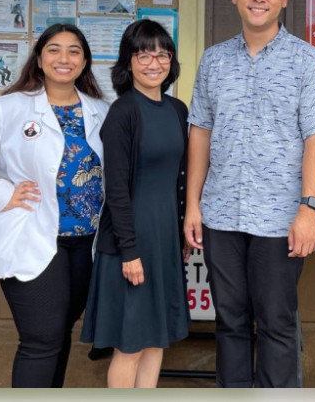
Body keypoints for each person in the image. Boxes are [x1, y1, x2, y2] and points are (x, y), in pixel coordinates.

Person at [184, 0, 315, 388]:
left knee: (276, 322)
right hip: (220, 213)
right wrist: (193, 207)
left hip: (279, 218)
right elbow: (200, 134)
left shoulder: (308, 62)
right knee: (230, 320)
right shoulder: (214, 61)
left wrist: (309, 209)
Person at [0, 23, 108, 388]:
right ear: (40, 58)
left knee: (59, 335)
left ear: (85, 60)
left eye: (74, 50)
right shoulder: (11, 108)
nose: (64, 58)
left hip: (85, 244)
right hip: (31, 237)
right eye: (54, 50)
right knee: (42, 340)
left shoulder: (99, 111)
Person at [80, 19, 190, 388]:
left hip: (164, 240)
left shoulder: (178, 110)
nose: (153, 63)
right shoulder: (124, 112)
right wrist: (129, 251)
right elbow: (117, 190)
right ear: (128, 63)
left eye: (162, 54)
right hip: (131, 244)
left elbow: (179, 177)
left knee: (157, 338)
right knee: (130, 344)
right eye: (143, 54)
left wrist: (181, 234)